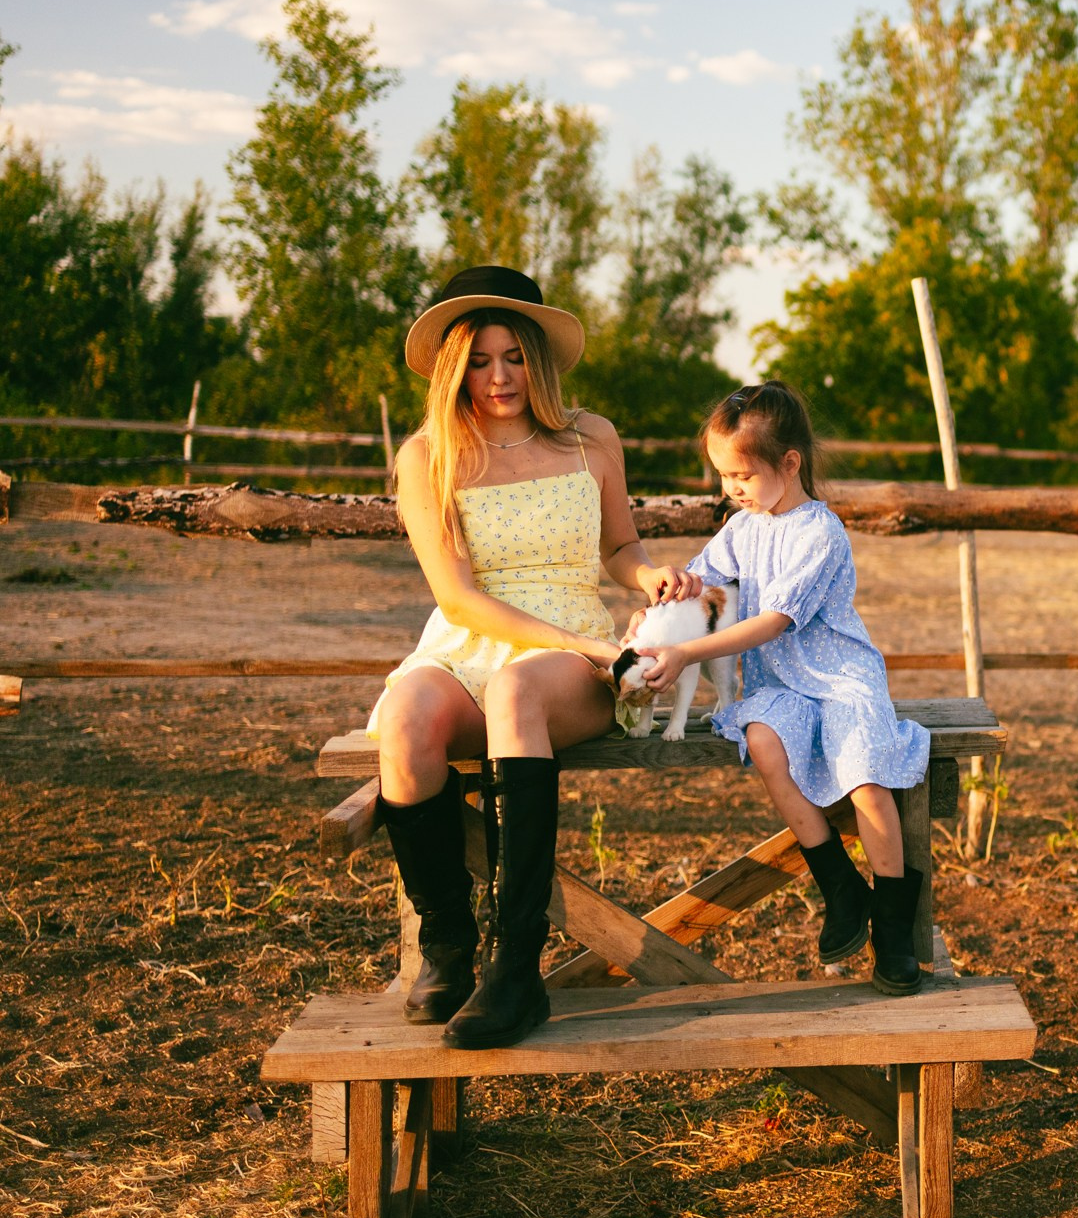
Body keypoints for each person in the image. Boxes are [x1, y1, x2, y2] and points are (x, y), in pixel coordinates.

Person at [366, 266, 693, 1049]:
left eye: (513, 356)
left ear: (538, 357)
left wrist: (646, 575)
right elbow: (457, 599)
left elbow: (619, 545)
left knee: (515, 692)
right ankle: (447, 947)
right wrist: (581, 643)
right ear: (455, 368)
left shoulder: (592, 438)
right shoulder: (429, 455)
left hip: (565, 658)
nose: (499, 376)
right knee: (408, 715)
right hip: (474, 636)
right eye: (479, 361)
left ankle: (516, 967)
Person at [632, 382, 932, 994]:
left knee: (866, 779)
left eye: (741, 474)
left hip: (840, 678)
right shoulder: (744, 527)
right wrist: (666, 596)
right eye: (723, 476)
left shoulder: (820, 533)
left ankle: (895, 929)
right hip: (781, 681)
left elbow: (772, 621)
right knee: (766, 746)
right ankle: (841, 887)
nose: (730, 490)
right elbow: (704, 579)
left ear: (789, 463)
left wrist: (686, 649)